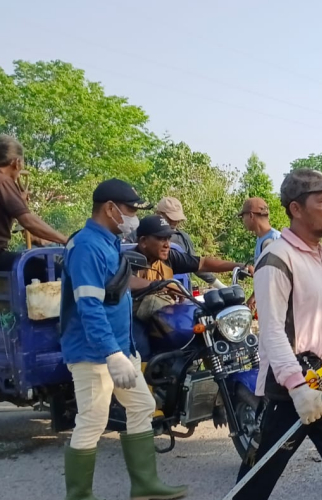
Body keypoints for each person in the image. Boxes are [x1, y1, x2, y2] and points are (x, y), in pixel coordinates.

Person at [234, 169, 322, 500]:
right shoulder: (276, 260)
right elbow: (271, 332)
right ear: (296, 209)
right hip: (289, 392)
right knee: (258, 475)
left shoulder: (321, 256)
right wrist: (298, 389)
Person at [59, 178, 187, 500]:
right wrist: (111, 354)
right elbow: (89, 306)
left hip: (118, 348)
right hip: (94, 353)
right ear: (110, 209)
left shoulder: (109, 243)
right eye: (130, 210)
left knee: (143, 405)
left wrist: (120, 352)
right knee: (92, 420)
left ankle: (145, 485)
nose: (132, 217)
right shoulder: (87, 246)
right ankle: (79, 496)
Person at [131, 214, 252, 322]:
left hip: (164, 316)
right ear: (143, 241)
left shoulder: (169, 256)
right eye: (161, 238)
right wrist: (163, 285)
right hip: (135, 321)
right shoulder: (129, 259)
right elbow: (127, 281)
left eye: (168, 238)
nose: (167, 244)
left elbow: (202, 263)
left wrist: (238, 265)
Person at [0, 135, 68, 277]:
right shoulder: (4, 180)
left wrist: (19, 202)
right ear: (16, 163)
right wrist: (65, 239)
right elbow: (27, 220)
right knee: (56, 271)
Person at [125, 196, 227, 290]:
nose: (175, 222)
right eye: (171, 218)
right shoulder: (139, 235)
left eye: (177, 219)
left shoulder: (183, 238)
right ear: (158, 214)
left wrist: (219, 285)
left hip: (180, 291)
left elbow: (196, 264)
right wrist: (162, 286)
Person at [239, 197, 281, 308]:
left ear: (251, 215)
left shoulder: (271, 240)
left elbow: (272, 277)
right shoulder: (261, 239)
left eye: (243, 216)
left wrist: (254, 296)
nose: (243, 221)